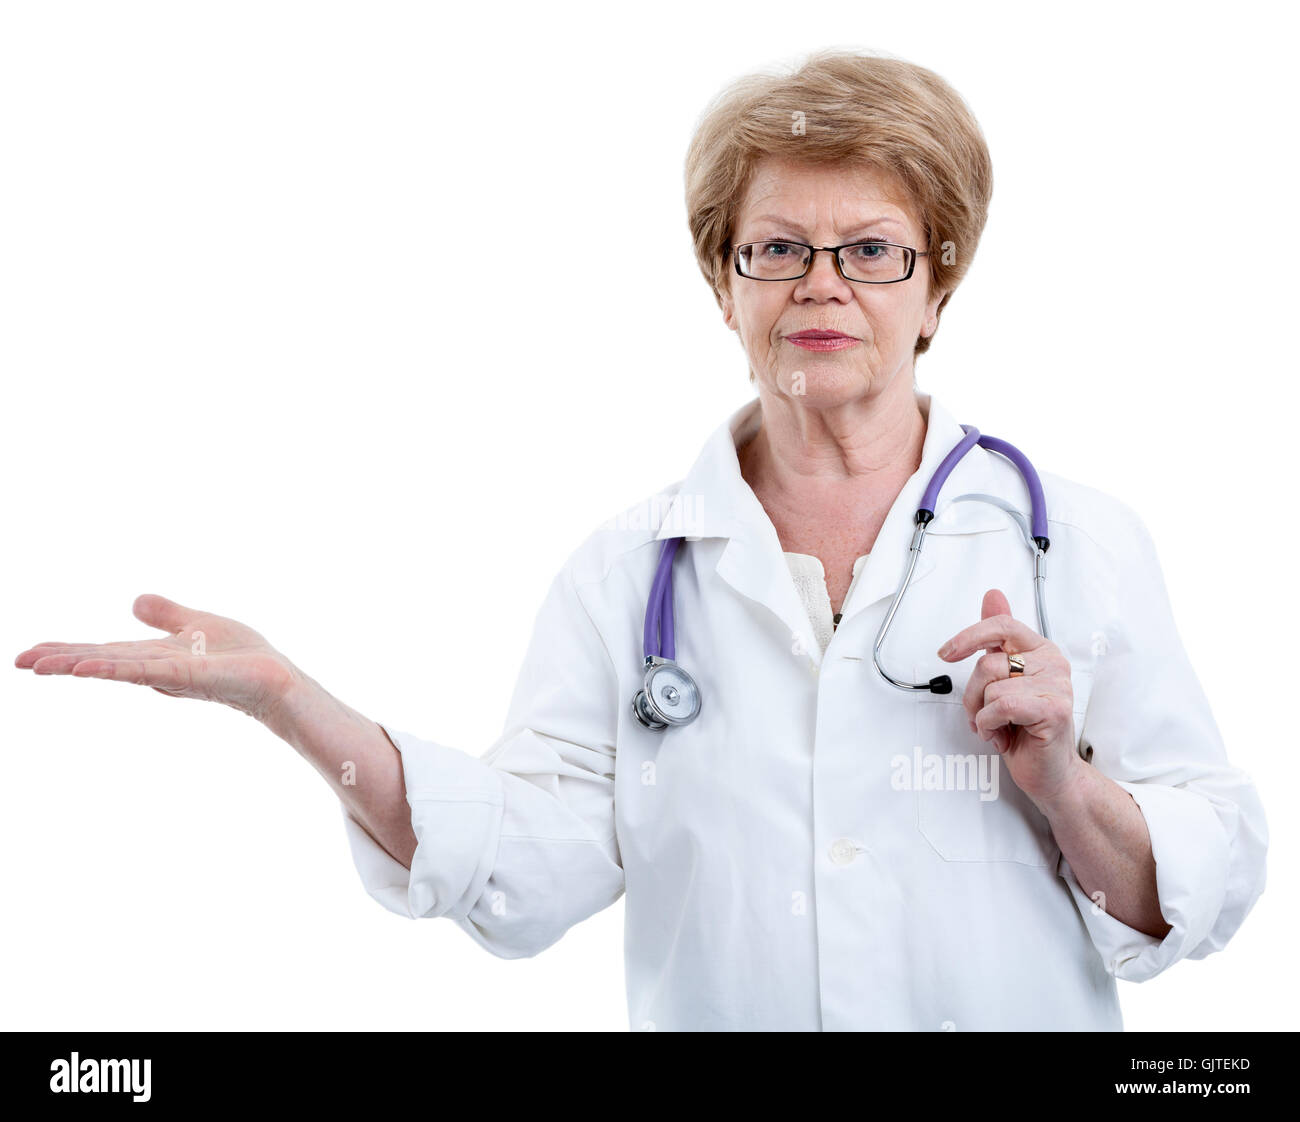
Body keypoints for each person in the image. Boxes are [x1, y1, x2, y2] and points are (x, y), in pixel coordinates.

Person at [14, 49, 1266, 1031]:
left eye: (871, 251)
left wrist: (1063, 783)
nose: (820, 283)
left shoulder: (1079, 545)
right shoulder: (628, 576)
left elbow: (1206, 886)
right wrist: (289, 702)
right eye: (777, 247)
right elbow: (518, 869)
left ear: (937, 289)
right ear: (723, 287)